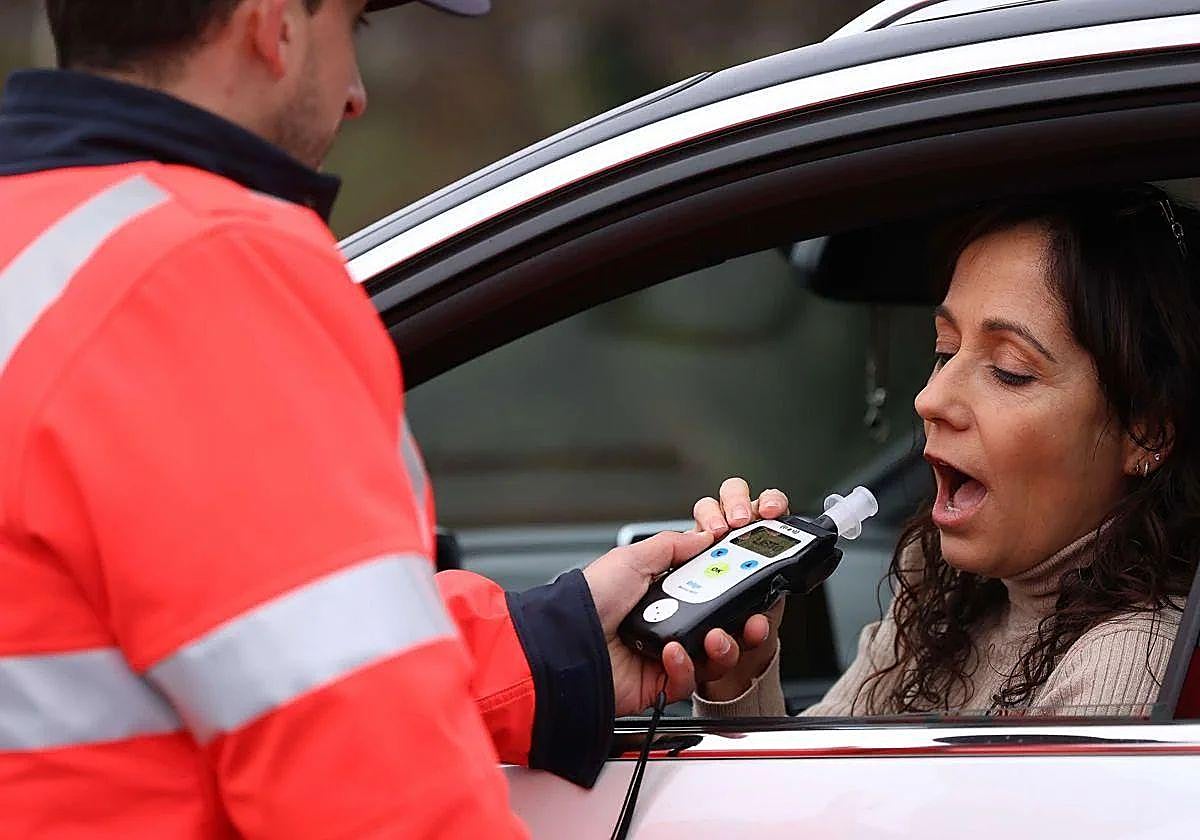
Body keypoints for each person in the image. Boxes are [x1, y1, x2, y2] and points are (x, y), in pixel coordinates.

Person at [0, 2, 760, 836]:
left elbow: (164, 661)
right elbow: (375, 793)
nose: (356, 93)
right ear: (275, 24)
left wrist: (556, 647)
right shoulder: (208, 272)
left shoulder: (34, 240)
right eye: (353, 26)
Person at [692, 187, 1200, 720]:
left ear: (1146, 433)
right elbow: (812, 771)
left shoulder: (1125, 662)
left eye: (1009, 370)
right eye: (945, 350)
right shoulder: (943, 593)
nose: (929, 399)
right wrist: (737, 675)